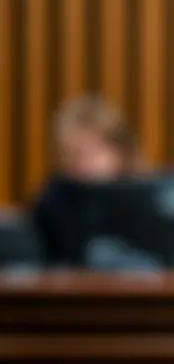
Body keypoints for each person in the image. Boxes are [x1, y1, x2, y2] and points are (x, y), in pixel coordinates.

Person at [31, 96, 140, 266]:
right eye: (75, 154)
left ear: (121, 152)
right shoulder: (53, 201)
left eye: (94, 152)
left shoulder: (143, 199)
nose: (84, 163)